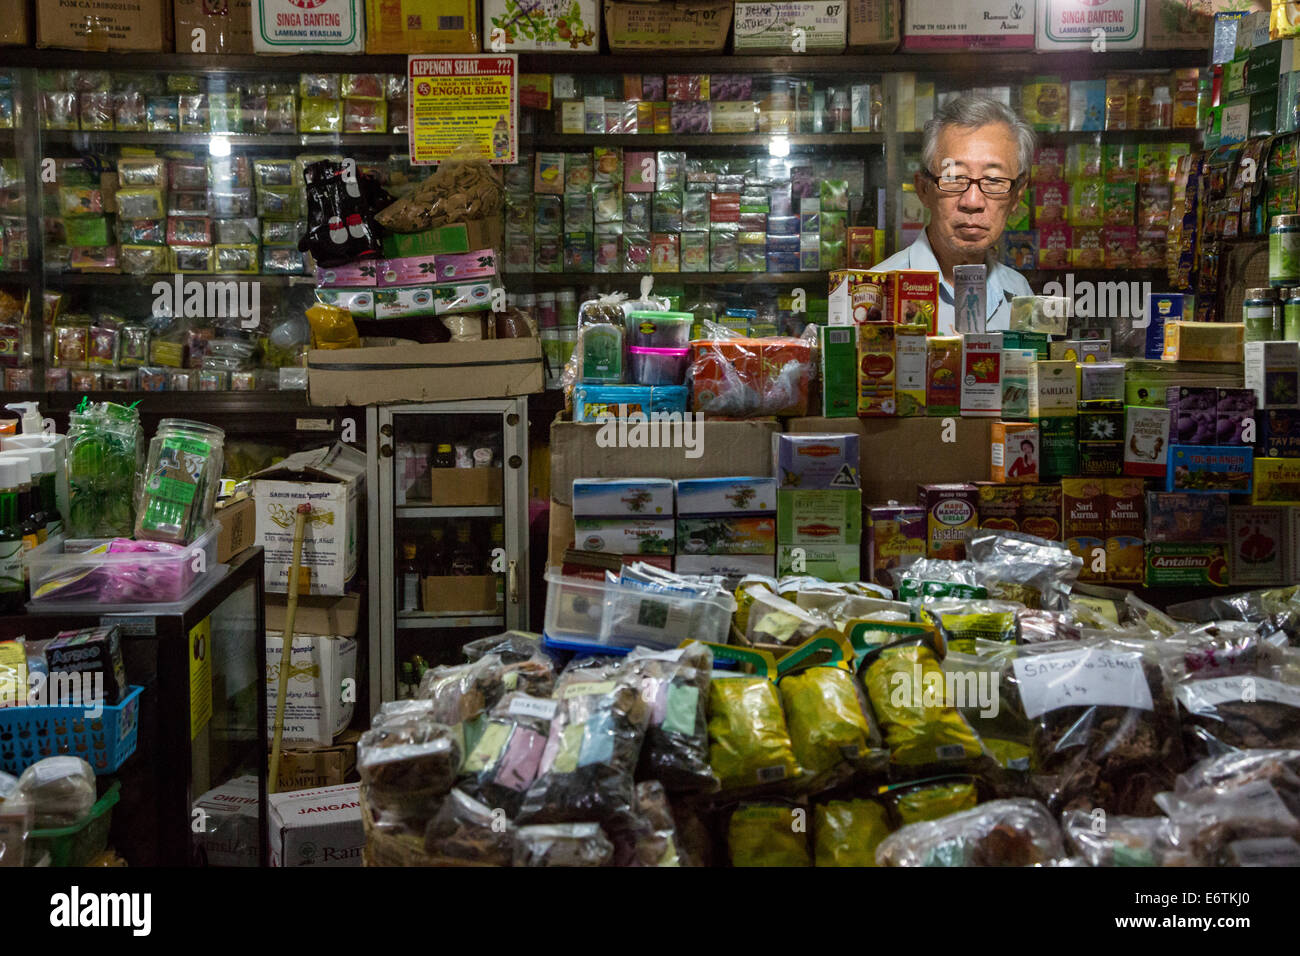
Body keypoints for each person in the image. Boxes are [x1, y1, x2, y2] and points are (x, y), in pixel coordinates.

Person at [872, 95, 1036, 335]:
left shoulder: (1020, 293)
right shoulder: (875, 293)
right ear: (924, 189)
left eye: (993, 180)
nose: (972, 202)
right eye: (954, 178)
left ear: (1017, 195)